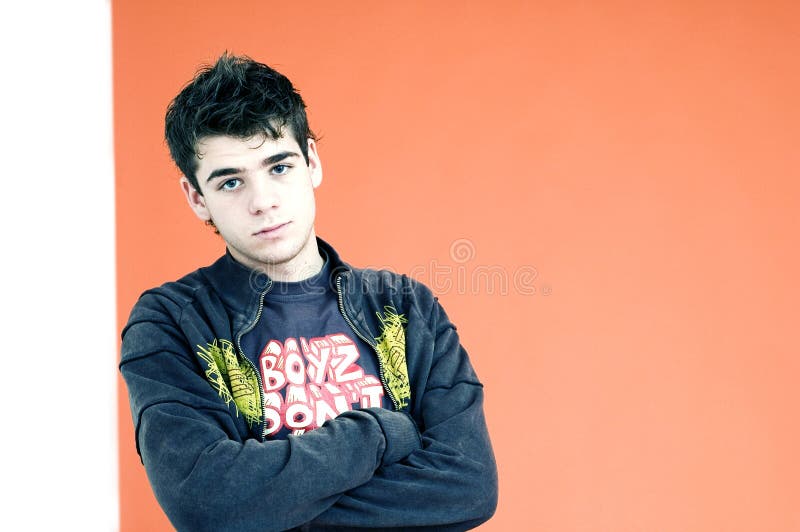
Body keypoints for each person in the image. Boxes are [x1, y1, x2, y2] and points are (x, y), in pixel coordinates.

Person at [119, 52, 498, 532]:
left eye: (278, 168)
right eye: (231, 181)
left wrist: (266, 507)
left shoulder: (402, 307)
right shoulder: (173, 322)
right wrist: (382, 432)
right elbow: (205, 504)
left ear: (312, 162)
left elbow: (469, 487)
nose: (262, 202)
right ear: (197, 198)